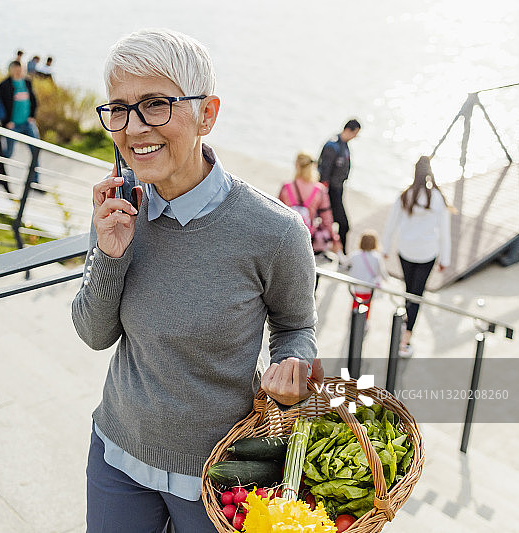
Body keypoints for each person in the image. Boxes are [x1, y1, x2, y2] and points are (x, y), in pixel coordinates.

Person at [71, 28, 324, 532]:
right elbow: (94, 334)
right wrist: (109, 253)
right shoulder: (120, 207)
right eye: (119, 108)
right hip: (117, 455)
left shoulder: (275, 230)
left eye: (156, 104)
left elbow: (296, 329)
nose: (134, 128)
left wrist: (292, 367)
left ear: (207, 114)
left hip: (223, 476)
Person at [382, 156, 452, 357]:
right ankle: (406, 339)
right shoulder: (437, 198)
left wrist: (385, 248)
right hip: (427, 253)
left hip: (406, 251)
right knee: (417, 294)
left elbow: (391, 224)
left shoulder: (405, 195)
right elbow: (444, 232)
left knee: (408, 290)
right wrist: (444, 259)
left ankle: (403, 325)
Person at [278, 152, 340, 255]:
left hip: (285, 237)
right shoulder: (319, 190)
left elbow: (277, 212)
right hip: (306, 238)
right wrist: (335, 239)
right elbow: (327, 219)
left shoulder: (286, 187)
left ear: (297, 165)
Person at [317, 119, 360, 254]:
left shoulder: (344, 145)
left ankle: (332, 249)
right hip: (331, 191)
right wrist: (323, 194)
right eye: (355, 133)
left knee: (331, 223)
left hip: (338, 189)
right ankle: (341, 253)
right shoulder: (333, 145)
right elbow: (324, 171)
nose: (355, 137)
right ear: (348, 130)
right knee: (343, 224)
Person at [0, 60, 41, 187]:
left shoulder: (27, 82)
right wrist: (6, 122)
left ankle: (34, 181)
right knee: (8, 153)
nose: (19, 72)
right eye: (16, 69)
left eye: (20, 69)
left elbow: (34, 100)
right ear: (11, 70)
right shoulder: (4, 85)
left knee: (35, 150)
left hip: (27, 124)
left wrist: (32, 116)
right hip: (13, 126)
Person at [347, 230, 387, 321]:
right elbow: (382, 273)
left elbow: (345, 262)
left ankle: (353, 318)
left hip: (356, 286)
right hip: (369, 286)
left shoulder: (355, 255)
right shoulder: (377, 257)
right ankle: (365, 321)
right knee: (367, 305)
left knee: (356, 302)